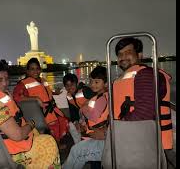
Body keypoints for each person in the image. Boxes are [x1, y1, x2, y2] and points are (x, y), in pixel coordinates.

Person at [63, 37, 173, 168]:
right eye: (120, 54)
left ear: (140, 55)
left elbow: (144, 114)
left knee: (77, 151)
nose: (123, 57)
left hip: (140, 144)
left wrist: (107, 132)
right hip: (122, 138)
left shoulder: (147, 75)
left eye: (128, 52)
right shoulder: (124, 79)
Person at [13, 58, 70, 148]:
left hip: (51, 108)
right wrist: (36, 98)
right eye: (32, 69)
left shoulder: (42, 80)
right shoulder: (23, 83)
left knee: (63, 121)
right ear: (27, 71)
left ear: (40, 69)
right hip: (40, 111)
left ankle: (56, 143)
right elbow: (16, 97)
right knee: (53, 126)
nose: (35, 71)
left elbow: (46, 92)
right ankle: (55, 146)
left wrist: (55, 93)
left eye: (37, 68)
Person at [62, 66, 109, 169]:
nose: (92, 84)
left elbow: (94, 116)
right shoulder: (99, 96)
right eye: (91, 81)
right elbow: (74, 111)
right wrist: (79, 121)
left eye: (97, 82)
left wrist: (83, 109)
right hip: (91, 132)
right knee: (89, 160)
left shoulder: (101, 98)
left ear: (106, 83)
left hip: (98, 135)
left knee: (76, 151)